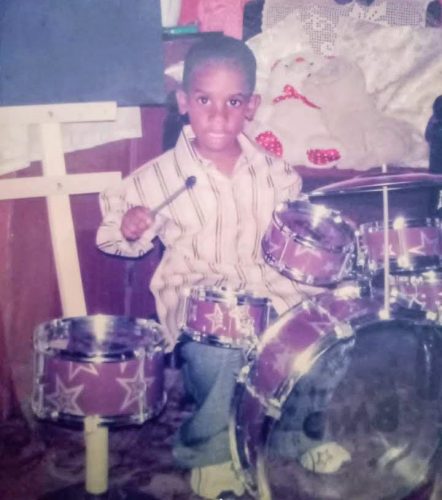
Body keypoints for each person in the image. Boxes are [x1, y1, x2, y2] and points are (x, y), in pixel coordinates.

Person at [96, 34, 319, 499]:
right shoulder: (157, 177)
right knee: (222, 355)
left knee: (315, 344)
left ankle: (295, 438)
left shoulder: (278, 175)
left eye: (233, 101)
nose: (218, 114)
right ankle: (211, 452)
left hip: (272, 291)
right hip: (203, 305)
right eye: (204, 100)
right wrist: (132, 226)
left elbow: (295, 236)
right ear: (184, 103)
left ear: (252, 105)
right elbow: (116, 235)